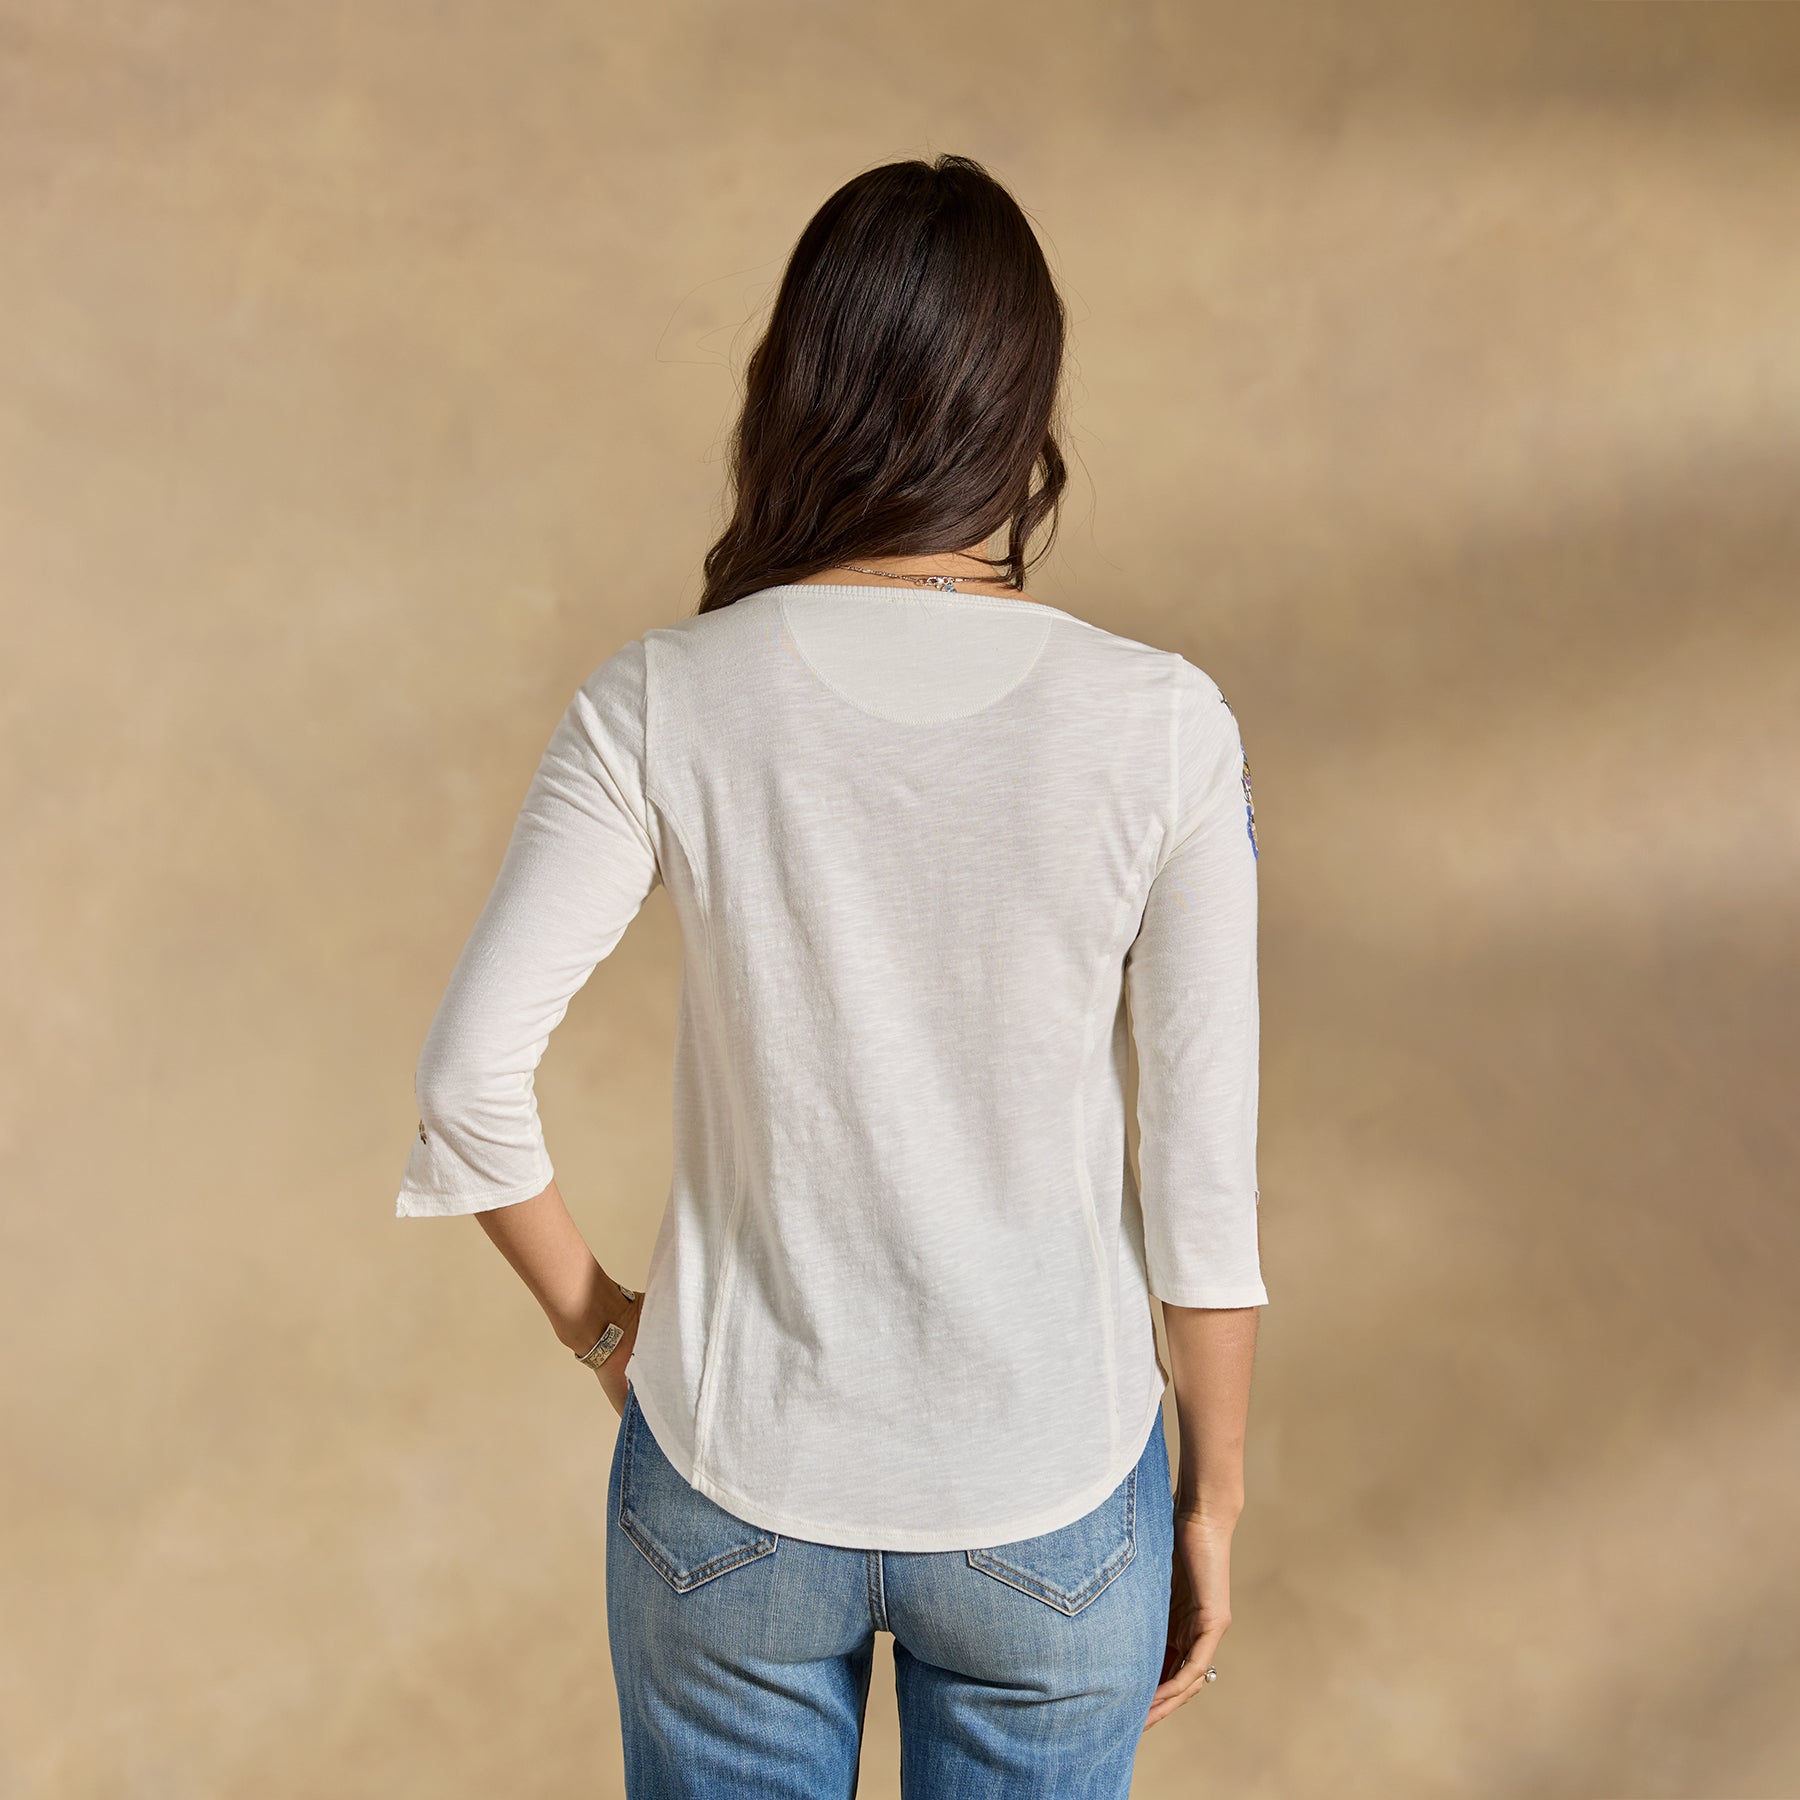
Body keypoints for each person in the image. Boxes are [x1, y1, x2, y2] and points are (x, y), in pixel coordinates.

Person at [395, 152, 1268, 1799]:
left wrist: (607, 1334)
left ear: (794, 386)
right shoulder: (1161, 723)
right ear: (1026, 410)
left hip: (729, 1479)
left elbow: (465, 1081)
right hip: (1055, 1496)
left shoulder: (663, 698)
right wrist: (1209, 1506)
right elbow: (1202, 1189)